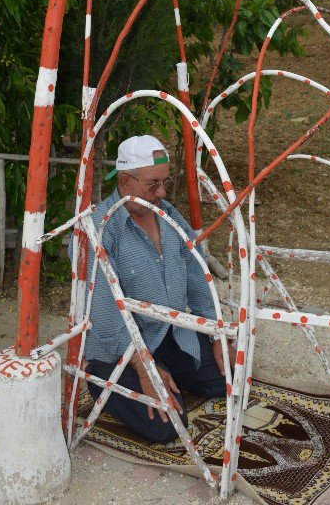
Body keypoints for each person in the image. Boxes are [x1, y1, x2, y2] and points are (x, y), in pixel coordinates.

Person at [81, 134, 227, 443]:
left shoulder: (168, 215)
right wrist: (144, 366)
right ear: (124, 183)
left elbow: (197, 271)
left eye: (164, 182)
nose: (161, 192)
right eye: (152, 184)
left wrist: (215, 332)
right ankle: (102, 382)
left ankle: (166, 369)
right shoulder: (100, 229)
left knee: (224, 380)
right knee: (169, 426)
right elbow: (103, 313)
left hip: (167, 332)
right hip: (121, 347)